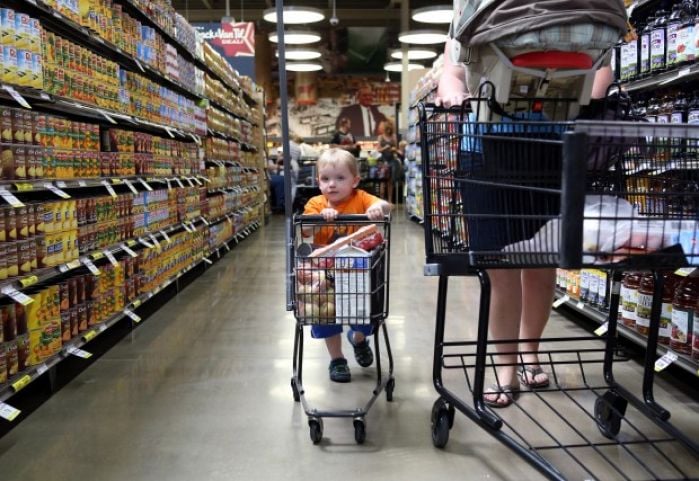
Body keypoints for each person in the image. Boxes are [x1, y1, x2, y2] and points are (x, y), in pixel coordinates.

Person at [436, 1, 625, 407]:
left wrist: (586, 98)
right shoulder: (479, 8)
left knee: (542, 262)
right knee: (502, 267)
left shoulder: (570, 12)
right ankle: (505, 368)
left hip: (553, 147)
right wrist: (453, 94)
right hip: (487, 147)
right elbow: (450, 67)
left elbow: (602, 63)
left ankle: (530, 351)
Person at [303, 148, 392, 383]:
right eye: (325, 179)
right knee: (325, 315)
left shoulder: (361, 198)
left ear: (355, 181)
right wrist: (319, 216)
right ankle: (337, 359)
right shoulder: (316, 203)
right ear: (318, 181)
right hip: (325, 272)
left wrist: (378, 208)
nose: (332, 184)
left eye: (340, 178)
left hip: (357, 272)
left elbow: (387, 206)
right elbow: (305, 230)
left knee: (363, 311)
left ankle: (358, 338)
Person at [376, 121, 399, 203]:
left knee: (390, 181)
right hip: (383, 160)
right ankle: (381, 200)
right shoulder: (380, 137)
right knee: (382, 180)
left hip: (392, 160)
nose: (389, 131)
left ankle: (389, 200)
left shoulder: (394, 136)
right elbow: (378, 149)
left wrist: (394, 149)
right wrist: (385, 147)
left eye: (390, 129)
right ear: (385, 129)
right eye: (387, 129)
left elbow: (396, 148)